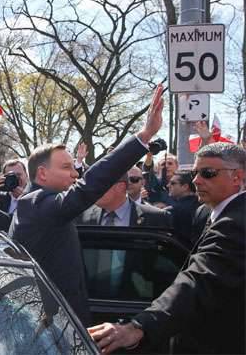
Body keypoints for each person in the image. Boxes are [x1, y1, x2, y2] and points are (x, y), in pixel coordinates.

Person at [10, 84, 165, 325]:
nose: (75, 174)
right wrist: (143, 137)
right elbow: (88, 186)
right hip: (50, 328)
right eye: (66, 168)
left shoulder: (44, 205)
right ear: (41, 174)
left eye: (74, 167)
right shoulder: (35, 204)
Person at [88, 142, 245, 354]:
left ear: (238, 176)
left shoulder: (238, 222)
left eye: (208, 173)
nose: (197, 180)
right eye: (195, 173)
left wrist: (138, 326)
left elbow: (198, 279)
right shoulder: (204, 214)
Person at [77, 171, 172, 228]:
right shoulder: (81, 217)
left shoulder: (156, 217)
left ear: (120, 187)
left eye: (99, 185)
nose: (93, 190)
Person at [164, 170, 201, 248]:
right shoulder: (205, 206)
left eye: (173, 183)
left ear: (185, 187)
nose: (168, 185)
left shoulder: (173, 211)